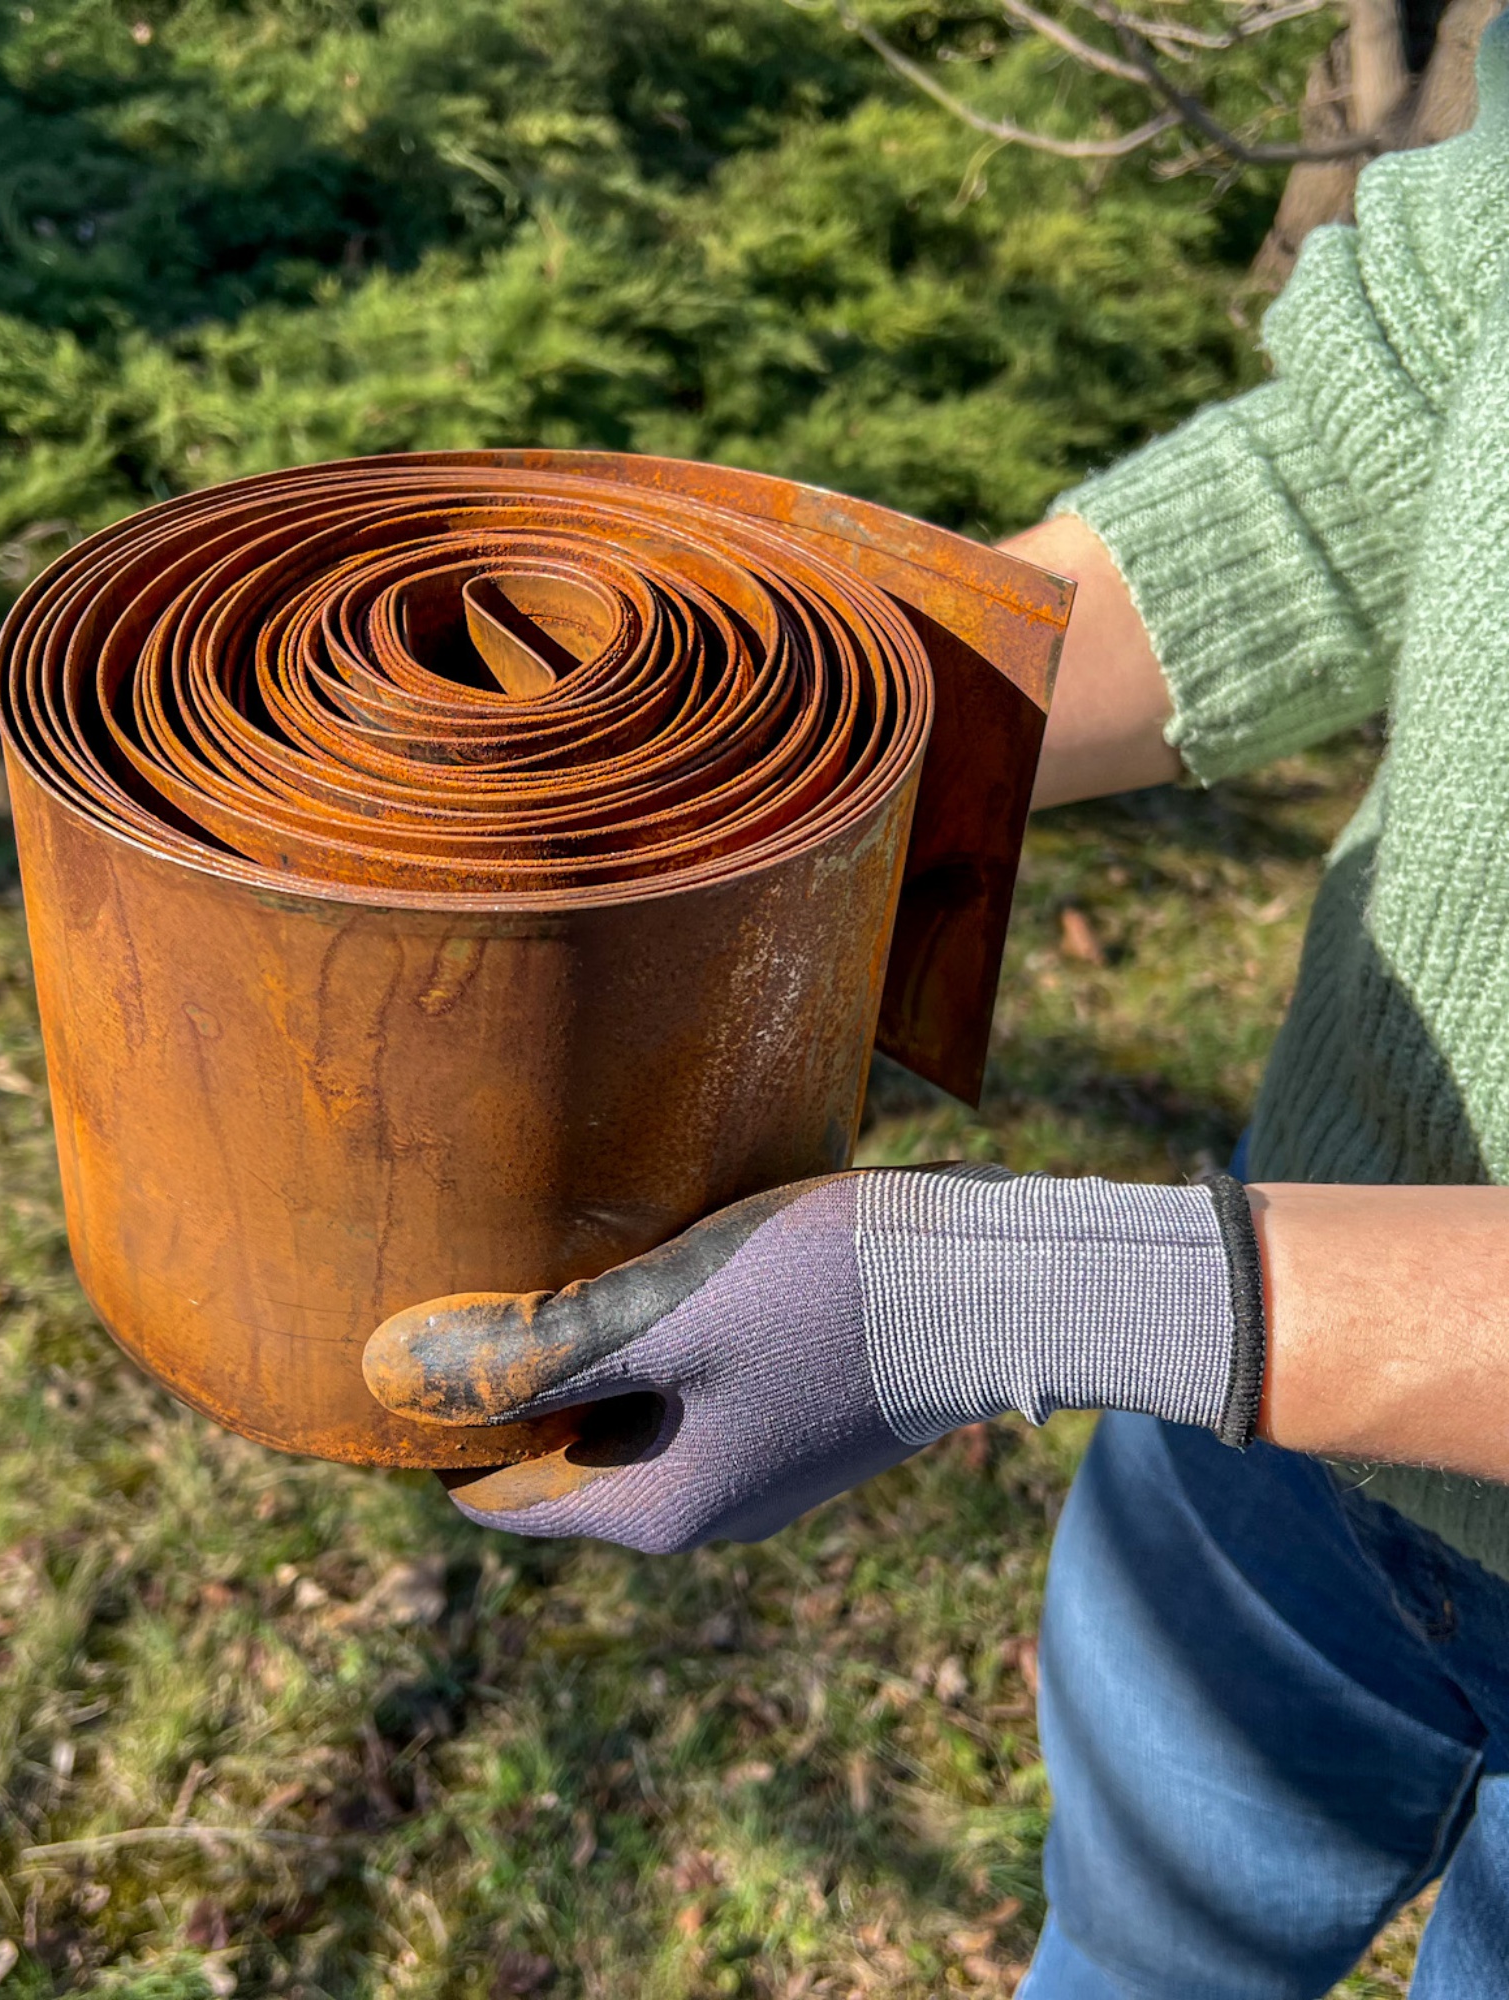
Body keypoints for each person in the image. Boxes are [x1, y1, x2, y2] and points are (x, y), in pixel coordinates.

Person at [359, 18, 1509, 1996]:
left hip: (1218, 1316)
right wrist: (781, 749)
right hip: (1277, 1425)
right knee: (1132, 1948)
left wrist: (997, 1298)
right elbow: (1399, 437)